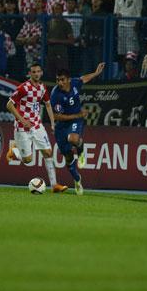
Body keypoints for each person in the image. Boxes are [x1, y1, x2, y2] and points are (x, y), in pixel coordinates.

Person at [5, 62, 68, 193]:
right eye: (33, 72)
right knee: (28, 160)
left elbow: (48, 104)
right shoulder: (23, 88)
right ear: (30, 73)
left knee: (48, 152)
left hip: (37, 125)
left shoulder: (42, 88)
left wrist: (52, 123)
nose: (36, 74)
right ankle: (14, 150)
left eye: (38, 71)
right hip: (22, 127)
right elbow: (9, 105)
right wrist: (22, 120)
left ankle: (55, 185)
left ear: (42, 73)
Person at [50, 63, 105, 195]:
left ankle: (81, 153)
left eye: (62, 79)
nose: (60, 82)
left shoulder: (74, 83)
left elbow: (83, 78)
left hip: (75, 121)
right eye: (57, 80)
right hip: (61, 126)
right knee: (68, 157)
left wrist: (96, 73)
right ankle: (77, 179)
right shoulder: (55, 94)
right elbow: (56, 116)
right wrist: (78, 115)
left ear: (68, 80)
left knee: (73, 139)